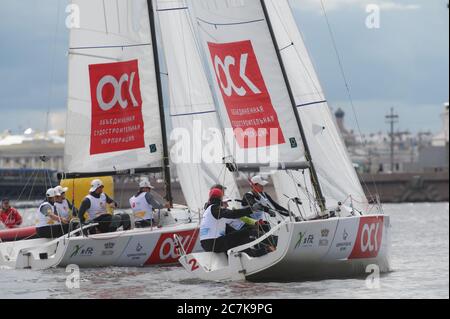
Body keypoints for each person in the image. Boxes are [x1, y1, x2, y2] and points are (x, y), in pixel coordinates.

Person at [200, 188, 273, 257]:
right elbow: (233, 214)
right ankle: (272, 244)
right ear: (220, 199)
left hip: (209, 243)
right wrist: (252, 209)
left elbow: (231, 228)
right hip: (215, 243)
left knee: (242, 235)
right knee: (248, 232)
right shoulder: (214, 208)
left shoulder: (208, 211)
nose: (227, 205)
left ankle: (260, 252)